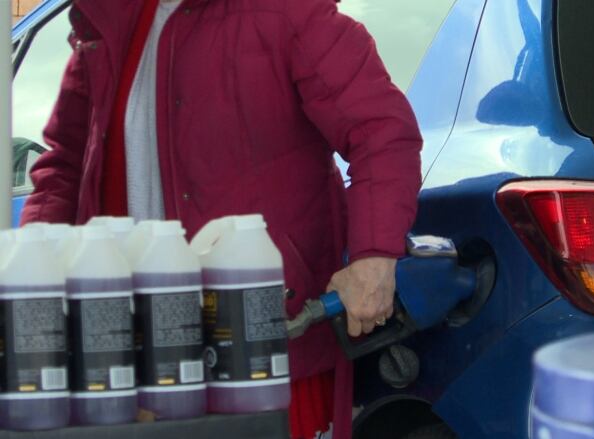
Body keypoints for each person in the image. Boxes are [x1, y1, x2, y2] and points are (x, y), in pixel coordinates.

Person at [20, 0, 423, 438]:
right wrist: (32, 275)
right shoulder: (107, 17)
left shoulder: (286, 11)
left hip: (264, 348)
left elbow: (380, 129)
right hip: (121, 358)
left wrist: (374, 255)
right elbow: (63, 166)